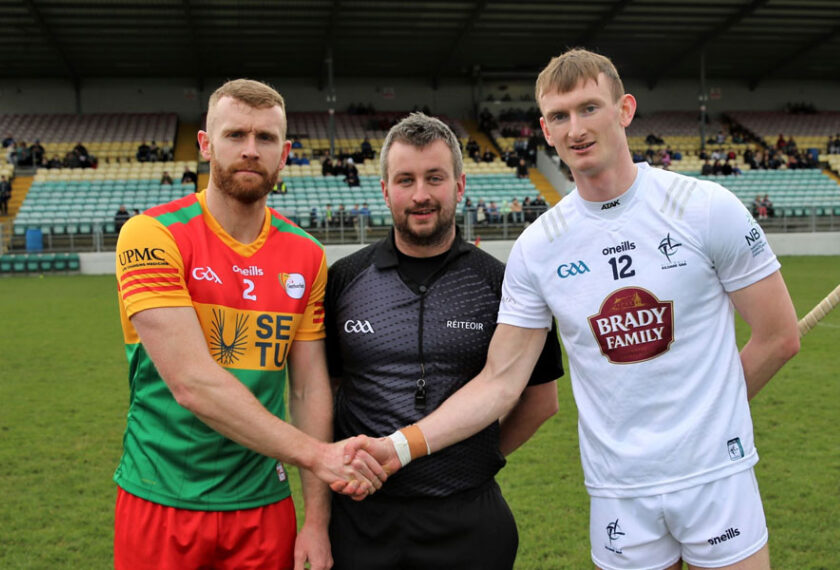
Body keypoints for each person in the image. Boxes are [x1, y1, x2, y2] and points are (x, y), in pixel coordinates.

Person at [339, 49, 800, 570]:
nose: (575, 128)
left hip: (716, 476)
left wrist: (712, 418)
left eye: (588, 108)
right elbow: (500, 382)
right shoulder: (540, 246)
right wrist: (398, 447)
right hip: (617, 490)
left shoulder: (705, 207)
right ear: (545, 130)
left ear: (624, 110)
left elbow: (779, 335)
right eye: (559, 116)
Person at [112, 79, 384, 570]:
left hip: (262, 505)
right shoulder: (152, 235)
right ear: (205, 144)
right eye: (235, 135)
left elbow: (307, 390)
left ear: (285, 154)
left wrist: (317, 522)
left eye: (266, 139)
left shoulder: (306, 256)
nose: (250, 150)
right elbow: (193, 383)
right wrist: (318, 456)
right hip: (160, 499)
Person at [323, 113, 563, 569]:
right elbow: (326, 391)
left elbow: (541, 400)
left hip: (468, 520)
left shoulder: (501, 283)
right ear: (384, 190)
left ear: (459, 184)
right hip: (362, 521)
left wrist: (475, 456)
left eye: (434, 178)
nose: (420, 195)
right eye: (405, 180)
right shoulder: (344, 280)